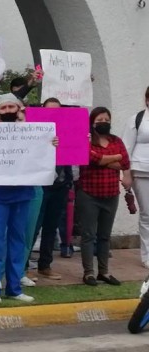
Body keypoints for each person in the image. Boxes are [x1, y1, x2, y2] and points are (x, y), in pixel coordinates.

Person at [0, 93, 55, 304]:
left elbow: (42, 154)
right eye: (4, 108)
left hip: (23, 193)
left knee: (18, 241)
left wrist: (50, 143)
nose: (8, 111)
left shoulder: (32, 132)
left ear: (19, 109)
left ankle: (14, 288)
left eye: (12, 107)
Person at [78, 107, 130, 286]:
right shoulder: (86, 141)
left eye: (107, 119)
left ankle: (104, 272)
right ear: (92, 122)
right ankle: (88, 273)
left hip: (111, 195)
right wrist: (112, 158)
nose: (104, 122)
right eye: (100, 119)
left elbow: (124, 162)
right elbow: (92, 159)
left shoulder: (117, 140)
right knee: (88, 235)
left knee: (104, 236)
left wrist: (104, 159)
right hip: (89, 194)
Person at [32, 98, 74, 282]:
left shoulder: (68, 128)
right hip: (41, 184)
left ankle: (45, 265)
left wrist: (82, 137)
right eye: (50, 110)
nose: (54, 113)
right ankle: (23, 266)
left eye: (58, 110)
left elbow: (76, 149)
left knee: (51, 226)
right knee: (33, 226)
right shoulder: (33, 130)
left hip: (61, 184)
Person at [122, 87, 149, 268]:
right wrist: (127, 175)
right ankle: (147, 256)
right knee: (147, 215)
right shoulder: (137, 119)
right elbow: (125, 148)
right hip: (141, 171)